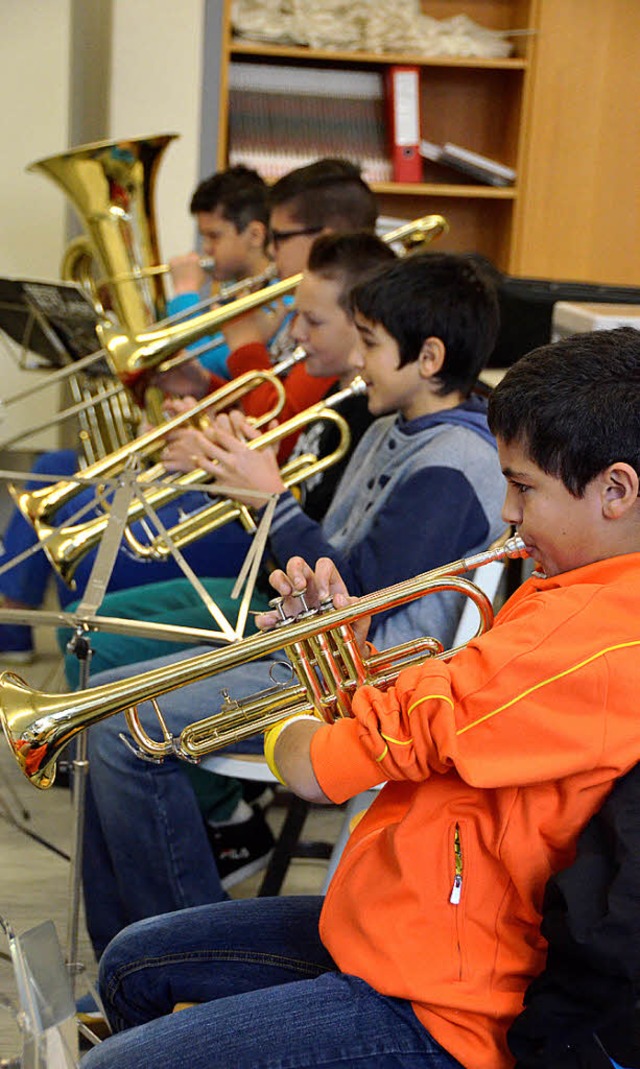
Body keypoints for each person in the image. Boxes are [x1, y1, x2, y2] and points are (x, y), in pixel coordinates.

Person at [80, 325, 640, 1069]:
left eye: (524, 486)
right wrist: (341, 654)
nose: (506, 510)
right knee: (130, 961)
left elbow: (314, 771)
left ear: (616, 489)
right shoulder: (567, 594)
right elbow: (448, 703)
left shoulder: (596, 633)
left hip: (445, 1000)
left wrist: (297, 712)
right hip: (390, 919)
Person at [77, 251, 506, 961]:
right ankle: (125, 965)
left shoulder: (458, 463)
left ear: (428, 357)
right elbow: (323, 557)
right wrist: (252, 478)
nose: (356, 361)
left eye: (369, 343)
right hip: (308, 654)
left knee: (122, 731)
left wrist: (270, 500)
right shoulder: (390, 427)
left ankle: (181, 962)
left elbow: (358, 601)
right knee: (99, 706)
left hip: (357, 681)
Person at [0, 159, 375, 661]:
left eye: (280, 237)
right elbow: (267, 411)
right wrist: (207, 394)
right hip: (251, 499)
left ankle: (70, 660)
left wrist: (236, 349)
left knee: (95, 537)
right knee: (55, 476)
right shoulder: (303, 314)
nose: (271, 251)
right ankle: (32, 636)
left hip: (266, 523)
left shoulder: (333, 328)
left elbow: (280, 428)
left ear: (323, 237)